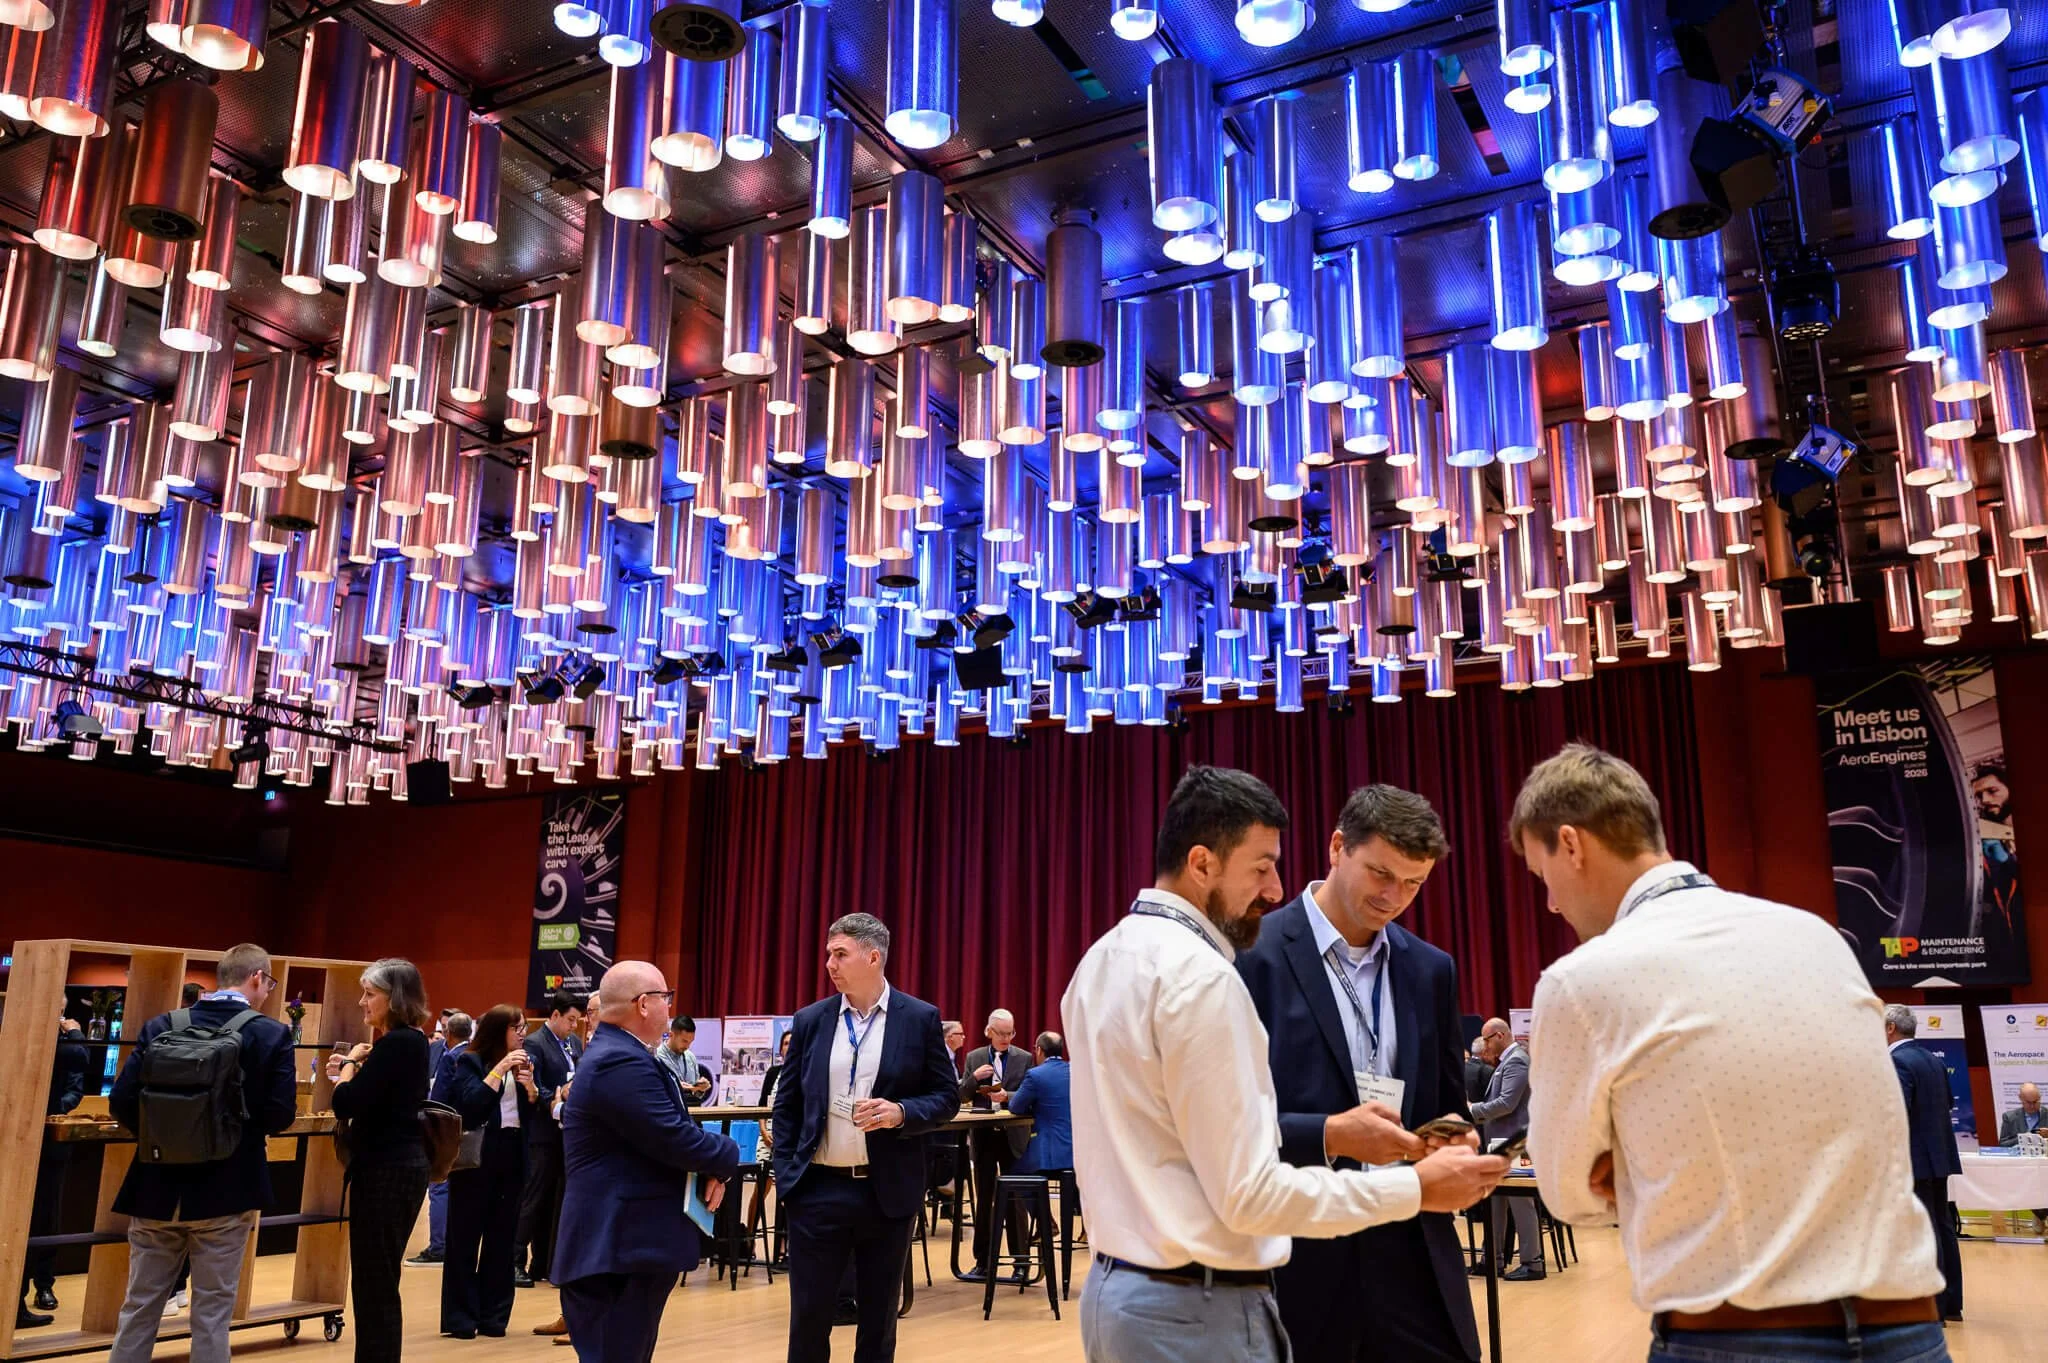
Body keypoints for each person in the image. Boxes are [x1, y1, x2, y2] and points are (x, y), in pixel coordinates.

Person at [1513, 743, 1947, 1363]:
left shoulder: (1582, 980)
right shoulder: (1817, 936)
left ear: (1572, 845)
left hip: (1735, 1338)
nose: (1551, 902)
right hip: (1910, 1332)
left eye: (1542, 874)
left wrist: (1636, 1165)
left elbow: (1566, 1194)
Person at [1063, 764, 1507, 1363]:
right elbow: (1249, 1190)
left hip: (1134, 1284)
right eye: (1262, 866)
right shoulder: (1221, 968)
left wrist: (1446, 1144)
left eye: (1414, 883)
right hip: (1231, 1286)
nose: (1273, 887)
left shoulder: (1101, 958)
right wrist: (1392, 1171)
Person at [1236, 783, 1483, 1361]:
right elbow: (1232, 1123)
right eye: (1381, 873)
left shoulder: (1430, 969)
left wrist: (1456, 1136)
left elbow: (1447, 1103)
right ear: (1337, 847)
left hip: (1413, 1245)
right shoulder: (1250, 955)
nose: (1395, 896)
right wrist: (1330, 1133)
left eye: (1415, 883)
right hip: (1302, 1249)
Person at [772, 913, 959, 1363]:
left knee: (878, 1325)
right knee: (809, 1322)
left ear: (873, 956)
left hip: (886, 1193)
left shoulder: (918, 1018)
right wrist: (787, 1176)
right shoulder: (811, 1020)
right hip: (817, 1188)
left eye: (840, 954)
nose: (829, 965)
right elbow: (788, 1104)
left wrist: (901, 1112)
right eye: (828, 955)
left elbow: (946, 1097)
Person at [102, 944, 296, 1363]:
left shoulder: (162, 1025)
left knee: (138, 1309)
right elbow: (280, 1115)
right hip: (227, 1191)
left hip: (154, 1188)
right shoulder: (270, 1033)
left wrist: (160, 1138)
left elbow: (120, 1101)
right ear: (258, 978)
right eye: (268, 984)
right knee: (211, 1316)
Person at [554, 961, 740, 1363]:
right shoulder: (620, 1061)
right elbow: (672, 1137)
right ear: (642, 1004)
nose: (669, 1009)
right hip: (616, 1251)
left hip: (625, 1248)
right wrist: (727, 1155)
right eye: (665, 998)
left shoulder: (620, 1054)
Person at [328, 958, 433, 1363]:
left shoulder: (397, 1043)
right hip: (399, 1168)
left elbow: (345, 1102)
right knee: (379, 1281)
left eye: (370, 994)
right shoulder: (409, 1041)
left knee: (375, 1284)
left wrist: (351, 1064)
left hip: (387, 1172)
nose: (361, 1002)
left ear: (396, 998)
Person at [437, 1004, 539, 1339]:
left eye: (524, 1028)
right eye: (517, 1028)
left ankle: (494, 1317)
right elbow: (470, 1103)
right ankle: (461, 1317)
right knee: (465, 1239)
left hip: (511, 1154)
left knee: (502, 1240)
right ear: (499, 1030)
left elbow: (530, 1114)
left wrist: (532, 1090)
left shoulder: (525, 1063)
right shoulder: (470, 1061)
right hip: (477, 1157)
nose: (523, 1034)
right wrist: (499, 1071)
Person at [1884, 1005, 1964, 1322]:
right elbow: (1947, 1103)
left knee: (1924, 1230)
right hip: (1939, 1154)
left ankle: (1932, 1308)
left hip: (1914, 1158)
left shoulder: (1896, 1061)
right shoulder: (1933, 1059)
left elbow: (1897, 1112)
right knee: (1943, 1227)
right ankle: (1952, 1303)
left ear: (1890, 1028)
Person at [19, 1008, 88, 1329]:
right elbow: (78, 1054)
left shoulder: (64, 1047)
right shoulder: (26, 1037)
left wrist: (52, 1109)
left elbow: (75, 1084)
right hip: (18, 1140)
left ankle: (43, 1285)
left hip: (50, 1138)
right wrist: (75, 1035)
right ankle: (15, 1296)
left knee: (48, 1214)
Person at [516, 989, 586, 1287]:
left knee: (553, 1202)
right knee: (532, 1200)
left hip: (565, 1135)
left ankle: (541, 1262)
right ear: (554, 1015)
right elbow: (532, 1087)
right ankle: (514, 1260)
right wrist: (555, 1102)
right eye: (570, 1020)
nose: (574, 1026)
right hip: (541, 1134)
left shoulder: (572, 1043)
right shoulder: (535, 1043)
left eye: (577, 1021)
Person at [959, 1007, 1033, 1276]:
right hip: (984, 1134)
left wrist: (1008, 1096)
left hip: (1013, 1136)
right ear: (988, 1031)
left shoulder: (1024, 1058)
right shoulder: (974, 1057)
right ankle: (984, 1262)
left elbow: (1029, 1094)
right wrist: (974, 1078)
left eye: (1010, 1033)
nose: (1005, 1038)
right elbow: (962, 1096)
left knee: (1016, 1199)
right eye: (1000, 1033)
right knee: (985, 1199)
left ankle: (1021, 1263)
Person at [1471, 1017, 1542, 1281]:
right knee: (1496, 1202)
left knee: (1520, 1203)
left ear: (1500, 1036)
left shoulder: (1517, 1061)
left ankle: (1532, 1263)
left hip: (1513, 1144)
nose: (1485, 1045)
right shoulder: (1508, 1062)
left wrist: (1471, 1110)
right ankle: (1493, 1260)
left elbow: (1506, 1104)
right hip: (1500, 1144)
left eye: (1487, 1039)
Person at [412, 1010, 473, 1267]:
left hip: (446, 1129)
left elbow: (438, 1097)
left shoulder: (450, 1057)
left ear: (448, 1033)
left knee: (438, 1186)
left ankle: (438, 1247)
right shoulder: (475, 1054)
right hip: (470, 1130)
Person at [1006, 1032, 1072, 1175]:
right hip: (1075, 1153)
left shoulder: (1035, 1074)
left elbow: (1015, 1107)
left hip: (1046, 1154)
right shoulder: (1075, 1072)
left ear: (1039, 1050)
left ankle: (1035, 1198)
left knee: (1013, 1172)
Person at [652, 1014, 713, 1106]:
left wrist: (701, 1089)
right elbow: (654, 1091)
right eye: (684, 1041)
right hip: (667, 1111)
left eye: (690, 1042)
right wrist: (674, 1086)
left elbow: (696, 1095)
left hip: (692, 1113)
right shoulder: (657, 1057)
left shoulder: (690, 1057)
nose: (688, 1046)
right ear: (671, 1035)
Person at [1464, 1038, 1494, 1107]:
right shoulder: (1488, 1071)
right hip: (1481, 1115)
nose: (1495, 1054)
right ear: (1485, 1052)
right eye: (1492, 1050)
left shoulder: (1460, 1067)